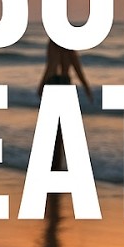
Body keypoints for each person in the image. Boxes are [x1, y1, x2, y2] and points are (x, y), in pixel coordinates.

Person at [38, 40, 94, 171]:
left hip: (54, 83)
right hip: (65, 83)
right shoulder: (69, 46)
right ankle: (57, 165)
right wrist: (86, 88)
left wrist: (41, 86)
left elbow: (51, 67)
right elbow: (77, 68)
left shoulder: (53, 44)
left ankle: (54, 165)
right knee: (61, 130)